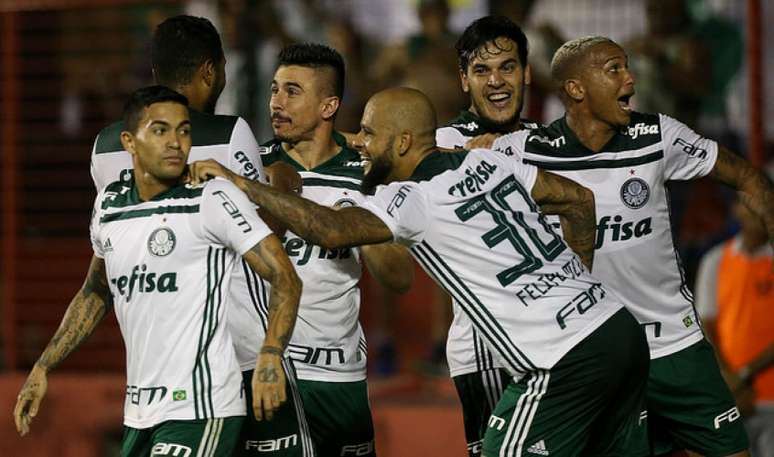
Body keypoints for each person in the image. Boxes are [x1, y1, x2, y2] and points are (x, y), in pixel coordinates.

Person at [188, 87, 652, 457]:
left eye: (368, 134)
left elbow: (329, 230)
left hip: (559, 359)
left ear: (404, 142)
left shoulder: (412, 199)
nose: (359, 145)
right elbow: (578, 199)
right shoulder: (487, 160)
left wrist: (238, 181)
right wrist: (575, 286)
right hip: (616, 328)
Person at [493, 36, 774, 456]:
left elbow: (748, 177)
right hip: (594, 354)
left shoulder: (657, 135)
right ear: (576, 89)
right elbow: (440, 163)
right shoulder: (526, 153)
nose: (631, 78)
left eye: (626, 67)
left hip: (672, 345)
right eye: (614, 69)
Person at [13, 86, 302, 456]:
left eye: (183, 130)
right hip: (140, 412)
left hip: (202, 406)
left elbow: (284, 276)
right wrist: (43, 366)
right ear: (130, 142)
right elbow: (96, 291)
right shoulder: (110, 205)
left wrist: (271, 354)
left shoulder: (211, 198)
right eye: (160, 130)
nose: (176, 143)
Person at [87, 16, 310, 456]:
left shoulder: (107, 146)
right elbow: (264, 230)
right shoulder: (229, 134)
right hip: (240, 346)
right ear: (211, 71)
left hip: (161, 359)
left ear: (154, 73)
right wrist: (282, 184)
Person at [262, 43, 413, 457]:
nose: (277, 102)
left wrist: (353, 215)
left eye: (293, 91)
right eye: (275, 90)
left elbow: (400, 278)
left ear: (329, 105)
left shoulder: (365, 176)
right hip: (267, 371)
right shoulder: (251, 168)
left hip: (337, 376)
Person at [434, 16, 539, 456]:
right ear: (464, 80)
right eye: (481, 70)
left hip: (554, 344)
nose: (496, 81)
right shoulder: (445, 142)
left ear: (527, 73)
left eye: (507, 67)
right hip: (489, 352)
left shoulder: (545, 141)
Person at [695, 187, 774, 457]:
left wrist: (742, 377)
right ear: (736, 209)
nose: (754, 210)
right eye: (747, 203)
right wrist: (730, 380)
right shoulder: (715, 260)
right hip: (729, 398)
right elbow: (707, 327)